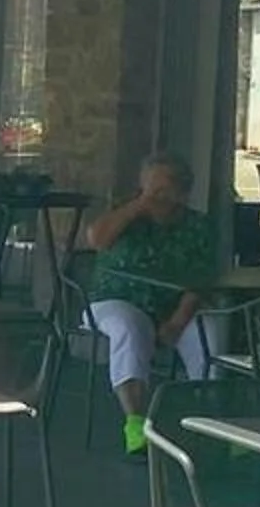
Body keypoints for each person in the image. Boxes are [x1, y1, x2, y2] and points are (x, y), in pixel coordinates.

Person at [84, 153, 221, 453]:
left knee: (209, 331)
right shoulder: (127, 215)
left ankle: (213, 419)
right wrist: (137, 206)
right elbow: (96, 239)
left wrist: (177, 321)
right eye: (149, 188)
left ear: (182, 193)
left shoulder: (197, 227)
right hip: (116, 299)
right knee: (129, 327)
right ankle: (135, 422)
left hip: (174, 307)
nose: (155, 197)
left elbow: (201, 279)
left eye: (163, 190)